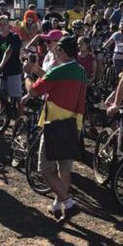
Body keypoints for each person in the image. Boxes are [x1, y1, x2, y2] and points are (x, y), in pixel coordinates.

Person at [25, 36, 87, 221]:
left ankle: (68, 202)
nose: (54, 54)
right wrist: (38, 70)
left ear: (62, 51)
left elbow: (33, 91)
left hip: (55, 125)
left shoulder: (59, 70)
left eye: (56, 51)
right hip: (73, 124)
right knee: (64, 169)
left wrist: (28, 76)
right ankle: (58, 204)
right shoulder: (80, 70)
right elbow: (55, 82)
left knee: (45, 168)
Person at [0, 16, 23, 111]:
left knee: (17, 96)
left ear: (8, 24)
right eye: (0, 24)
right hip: (2, 72)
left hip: (14, 70)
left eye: (4, 24)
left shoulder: (15, 37)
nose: (3, 26)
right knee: (2, 96)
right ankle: (4, 115)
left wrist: (0, 65)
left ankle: (20, 116)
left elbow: (8, 51)